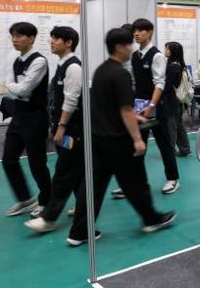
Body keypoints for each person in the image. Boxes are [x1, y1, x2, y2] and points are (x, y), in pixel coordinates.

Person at [66, 28, 176, 246]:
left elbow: (110, 107)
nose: (131, 48)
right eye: (128, 45)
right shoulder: (121, 74)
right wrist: (137, 139)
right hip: (119, 142)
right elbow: (125, 110)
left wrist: (135, 116)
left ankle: (79, 232)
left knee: (93, 187)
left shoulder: (100, 71)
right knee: (137, 183)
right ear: (119, 47)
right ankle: (151, 219)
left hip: (98, 140)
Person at [25, 26, 85, 233]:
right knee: (76, 173)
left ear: (69, 43)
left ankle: (48, 218)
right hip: (64, 129)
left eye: (56, 38)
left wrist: (61, 126)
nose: (51, 41)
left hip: (73, 131)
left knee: (62, 173)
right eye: (51, 37)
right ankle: (83, 206)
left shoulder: (73, 67)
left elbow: (71, 100)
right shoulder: (61, 65)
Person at [2, 22, 52, 217]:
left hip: (36, 117)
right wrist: (15, 88)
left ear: (31, 38)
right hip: (19, 116)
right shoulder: (17, 61)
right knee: (8, 160)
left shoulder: (39, 61)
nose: (14, 40)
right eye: (13, 36)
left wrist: (11, 87)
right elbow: (15, 90)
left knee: (37, 163)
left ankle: (47, 201)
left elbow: (22, 89)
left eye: (19, 36)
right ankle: (25, 199)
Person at [126, 18, 179, 196]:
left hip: (157, 107)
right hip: (139, 107)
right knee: (137, 145)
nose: (136, 33)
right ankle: (134, 182)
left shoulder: (157, 56)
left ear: (150, 32)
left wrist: (152, 105)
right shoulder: (135, 55)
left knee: (164, 144)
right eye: (135, 30)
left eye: (141, 30)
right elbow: (134, 82)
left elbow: (160, 83)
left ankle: (173, 179)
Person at [164, 42, 191, 157]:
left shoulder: (173, 66)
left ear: (173, 51)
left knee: (171, 126)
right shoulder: (179, 64)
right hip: (177, 100)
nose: (165, 51)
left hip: (172, 100)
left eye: (167, 49)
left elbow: (168, 85)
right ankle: (185, 148)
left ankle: (170, 150)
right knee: (178, 125)